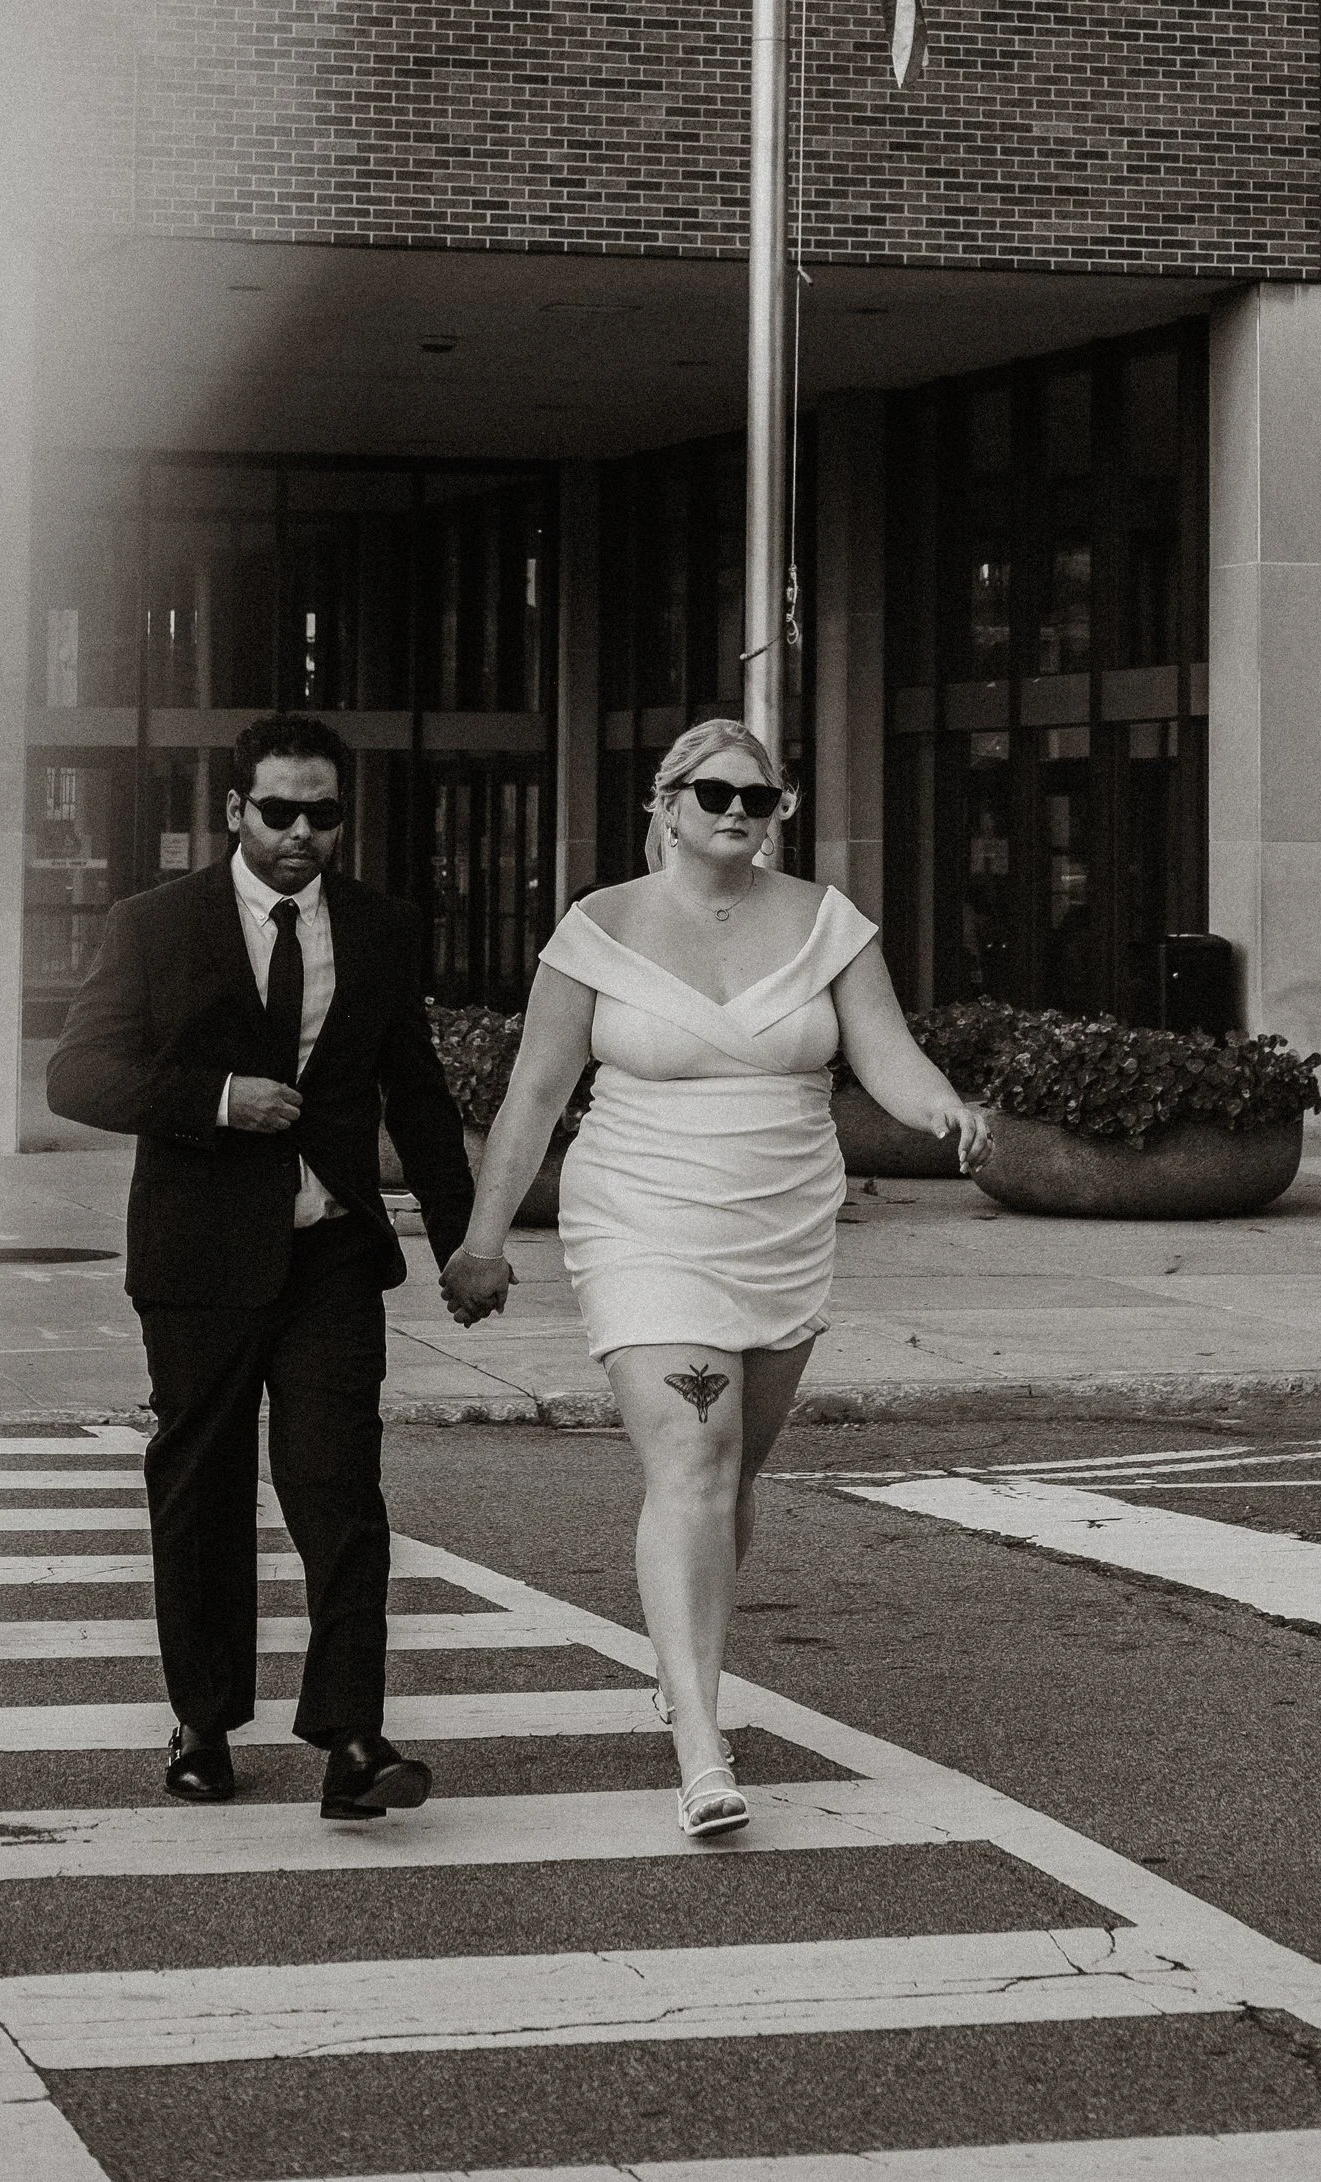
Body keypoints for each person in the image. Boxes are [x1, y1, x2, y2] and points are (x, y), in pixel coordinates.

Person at [441, 717, 991, 1839]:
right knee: (693, 1454)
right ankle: (700, 1738)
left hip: (782, 1222)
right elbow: (536, 1096)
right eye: (713, 794)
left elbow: (883, 1055)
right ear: (666, 802)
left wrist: (942, 1107)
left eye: (759, 797)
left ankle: (681, 1666)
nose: (736, 812)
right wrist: (482, 1240)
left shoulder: (827, 924)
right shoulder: (597, 927)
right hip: (641, 1217)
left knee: (731, 1475)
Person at [47, 713, 475, 1820]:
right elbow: (79, 1077)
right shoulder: (155, 925)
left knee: (339, 1487)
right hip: (197, 1256)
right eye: (276, 811)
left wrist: (466, 1236)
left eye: (320, 814)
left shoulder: (379, 928)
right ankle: (203, 1722)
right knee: (201, 1491)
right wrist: (215, 1100)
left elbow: (416, 1094)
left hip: (329, 1253)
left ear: (342, 818)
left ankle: (354, 1739)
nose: (298, 833)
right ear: (234, 810)